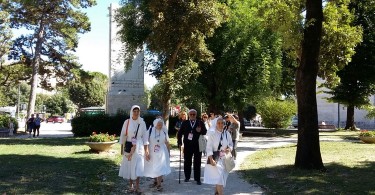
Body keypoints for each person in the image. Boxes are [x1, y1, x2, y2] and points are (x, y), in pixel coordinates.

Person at [118, 105, 150, 194]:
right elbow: (123, 135)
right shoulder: (127, 122)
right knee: (129, 165)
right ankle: (131, 186)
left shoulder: (142, 122)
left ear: (139, 112)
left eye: (137, 111)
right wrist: (122, 148)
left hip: (139, 146)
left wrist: (146, 150)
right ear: (132, 112)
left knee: (138, 166)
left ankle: (137, 187)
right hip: (129, 145)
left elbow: (145, 137)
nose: (136, 113)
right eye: (134, 111)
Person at [203, 117, 233, 195]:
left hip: (225, 159)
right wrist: (211, 159)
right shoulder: (213, 134)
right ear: (216, 124)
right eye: (219, 123)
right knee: (219, 179)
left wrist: (229, 149)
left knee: (222, 178)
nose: (220, 125)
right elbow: (208, 147)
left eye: (222, 123)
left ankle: (216, 193)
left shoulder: (227, 133)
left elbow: (231, 144)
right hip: (215, 159)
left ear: (224, 124)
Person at [177, 109, 207, 185]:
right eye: (191, 114)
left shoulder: (200, 122)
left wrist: (200, 130)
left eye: (194, 114)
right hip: (187, 145)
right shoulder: (185, 122)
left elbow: (205, 132)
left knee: (197, 162)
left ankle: (197, 179)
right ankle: (187, 177)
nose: (192, 116)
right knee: (187, 161)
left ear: (196, 115)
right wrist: (179, 142)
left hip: (197, 145)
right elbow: (180, 133)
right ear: (189, 115)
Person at [144, 119, 171, 191]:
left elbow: (167, 142)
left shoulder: (164, 131)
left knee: (161, 167)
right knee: (154, 166)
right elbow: (146, 142)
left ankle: (159, 184)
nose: (160, 126)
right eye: (159, 124)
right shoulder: (150, 131)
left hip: (162, 151)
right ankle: (155, 181)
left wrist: (168, 151)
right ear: (155, 124)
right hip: (152, 151)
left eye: (161, 124)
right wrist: (146, 151)